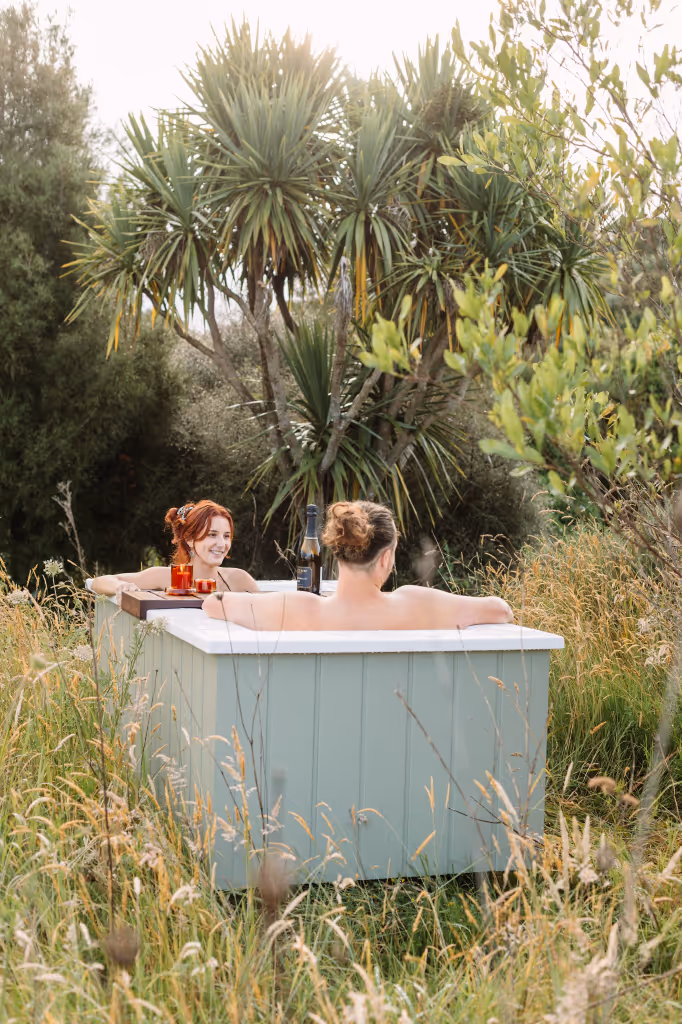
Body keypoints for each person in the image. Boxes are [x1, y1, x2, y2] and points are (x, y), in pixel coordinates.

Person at [202, 500, 512, 631]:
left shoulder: (302, 608)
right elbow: (500, 610)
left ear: (336, 551)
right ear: (386, 558)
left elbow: (213, 605)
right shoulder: (415, 603)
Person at [89, 500, 260, 601]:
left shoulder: (239, 579)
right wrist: (121, 586)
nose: (222, 544)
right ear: (190, 539)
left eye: (226, 536)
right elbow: (98, 582)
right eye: (212, 535)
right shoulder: (168, 576)